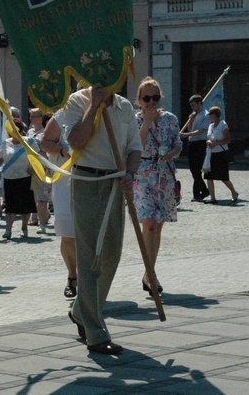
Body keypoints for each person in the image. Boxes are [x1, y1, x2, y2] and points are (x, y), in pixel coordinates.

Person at [65, 83, 142, 355]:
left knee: (111, 253)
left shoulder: (124, 106)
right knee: (89, 256)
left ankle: (80, 311)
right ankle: (95, 332)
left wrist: (130, 173)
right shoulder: (77, 100)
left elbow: (135, 148)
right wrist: (93, 106)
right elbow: (75, 141)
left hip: (115, 182)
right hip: (86, 179)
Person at [133, 77, 182, 296]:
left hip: (165, 175)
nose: (150, 102)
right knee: (149, 224)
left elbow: (178, 145)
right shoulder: (133, 120)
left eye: (154, 97)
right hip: (143, 174)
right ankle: (151, 275)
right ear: (139, 100)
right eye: (146, 98)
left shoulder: (170, 120)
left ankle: (148, 272)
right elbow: (136, 144)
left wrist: (171, 154)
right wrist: (146, 122)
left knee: (158, 225)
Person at [40, 108, 76, 298]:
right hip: (64, 182)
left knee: (92, 235)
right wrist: (63, 150)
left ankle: (91, 279)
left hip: (94, 181)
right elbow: (44, 142)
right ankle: (72, 275)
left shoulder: (105, 112)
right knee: (68, 234)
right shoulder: (64, 114)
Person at [0, 118, 39, 239]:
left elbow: (37, 157)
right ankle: (8, 230)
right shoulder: (5, 143)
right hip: (9, 178)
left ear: (20, 130)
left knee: (26, 206)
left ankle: (24, 228)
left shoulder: (30, 142)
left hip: (25, 177)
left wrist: (33, 168)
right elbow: (0, 159)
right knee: (10, 205)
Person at [204, 106, 239, 204]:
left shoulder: (223, 125)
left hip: (221, 154)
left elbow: (228, 139)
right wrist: (208, 142)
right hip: (211, 154)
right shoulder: (211, 126)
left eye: (210, 114)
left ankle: (234, 192)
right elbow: (209, 138)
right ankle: (212, 198)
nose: (209, 116)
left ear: (214, 115)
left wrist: (215, 143)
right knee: (209, 176)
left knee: (223, 177)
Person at [179, 95, 211, 201]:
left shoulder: (206, 115)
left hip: (201, 143)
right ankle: (202, 191)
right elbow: (190, 128)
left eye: (194, 105)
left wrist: (186, 135)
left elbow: (201, 131)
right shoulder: (193, 115)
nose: (192, 107)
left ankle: (198, 193)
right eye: (191, 105)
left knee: (197, 170)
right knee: (193, 169)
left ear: (200, 103)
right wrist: (191, 120)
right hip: (192, 143)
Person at [27, 108, 52, 232]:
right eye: (30, 116)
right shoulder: (29, 132)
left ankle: (42, 223)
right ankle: (36, 217)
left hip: (43, 168)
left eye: (33, 116)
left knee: (42, 197)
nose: (31, 119)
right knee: (34, 195)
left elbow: (46, 153)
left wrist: (41, 166)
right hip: (31, 168)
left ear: (40, 118)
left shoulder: (45, 133)